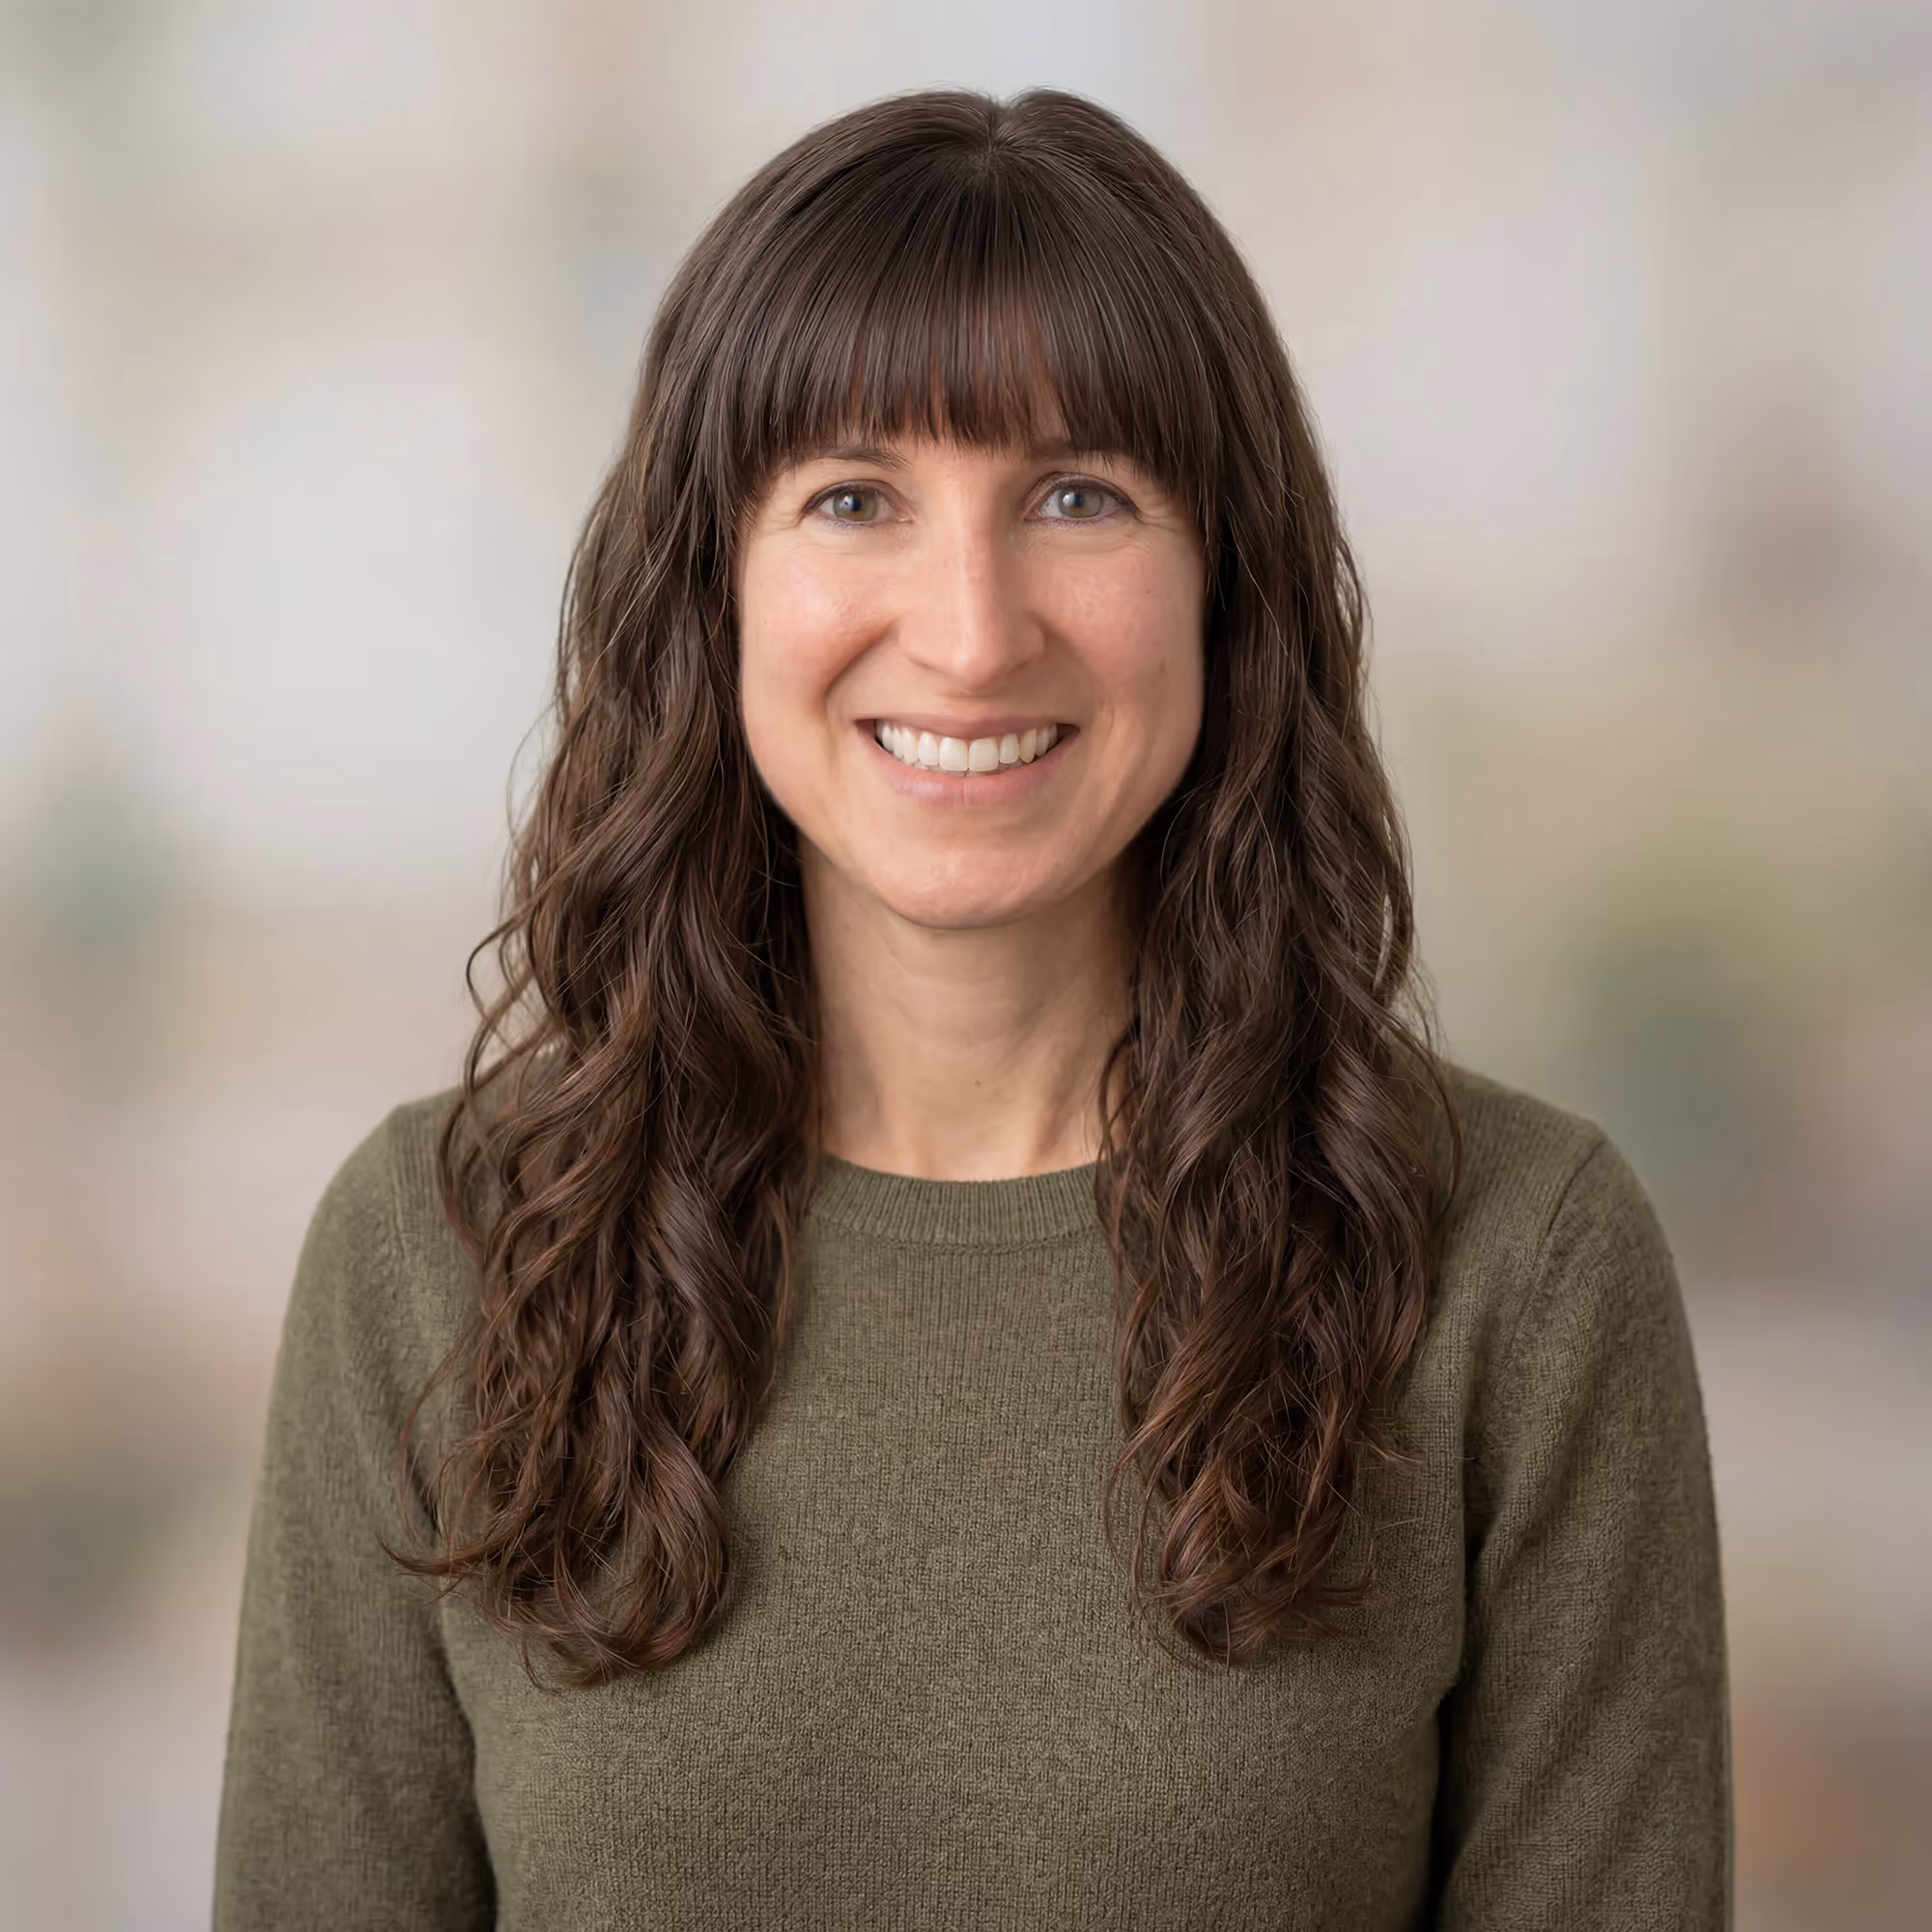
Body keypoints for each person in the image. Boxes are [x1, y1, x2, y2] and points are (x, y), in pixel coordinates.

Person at [212, 85, 1733, 1929]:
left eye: (1078, 497)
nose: (970, 629)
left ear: (1225, 582)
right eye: (853, 499)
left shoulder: (1522, 1268)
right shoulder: (432, 1254)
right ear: (713, 586)